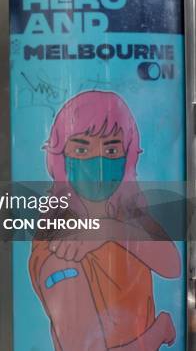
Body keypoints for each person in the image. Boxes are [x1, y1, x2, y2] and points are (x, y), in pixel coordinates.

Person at [29, 90, 179, 350]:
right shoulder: (61, 246)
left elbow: (172, 265)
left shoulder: (127, 215)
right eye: (81, 148)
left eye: (111, 149)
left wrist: (109, 230)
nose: (97, 162)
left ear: (127, 155)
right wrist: (159, 331)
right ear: (61, 157)